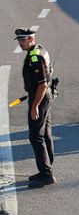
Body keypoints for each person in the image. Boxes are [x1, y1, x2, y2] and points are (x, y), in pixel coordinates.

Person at [16, 28, 56, 186]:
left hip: (40, 98)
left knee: (35, 136)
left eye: (23, 40)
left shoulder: (34, 57)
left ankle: (47, 174)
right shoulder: (40, 50)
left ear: (31, 39)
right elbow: (49, 72)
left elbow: (42, 84)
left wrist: (35, 106)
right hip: (45, 96)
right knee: (45, 134)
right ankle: (46, 170)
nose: (20, 43)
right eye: (19, 40)